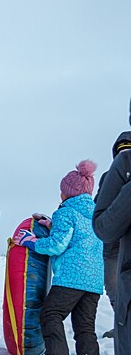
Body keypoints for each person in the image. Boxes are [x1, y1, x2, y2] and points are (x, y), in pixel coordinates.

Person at [15, 160, 103, 355]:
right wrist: (52, 226)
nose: (61, 194)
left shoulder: (66, 212)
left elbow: (57, 245)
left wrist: (31, 241)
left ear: (69, 192)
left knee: (50, 315)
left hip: (72, 277)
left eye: (62, 191)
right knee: (85, 328)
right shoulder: (95, 214)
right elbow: (79, 237)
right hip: (94, 281)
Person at [93, 126, 131, 354]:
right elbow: (101, 206)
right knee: (114, 288)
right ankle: (120, 326)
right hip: (113, 247)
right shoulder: (110, 176)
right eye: (121, 149)